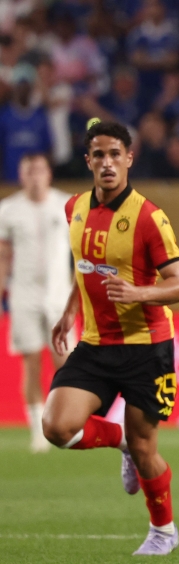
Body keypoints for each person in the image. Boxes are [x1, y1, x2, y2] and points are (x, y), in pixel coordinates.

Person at [42, 120, 179, 556]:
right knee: (56, 426)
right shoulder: (74, 208)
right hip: (95, 342)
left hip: (148, 347)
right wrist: (71, 308)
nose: (107, 163)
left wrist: (138, 292)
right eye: (99, 155)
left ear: (129, 158)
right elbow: (85, 263)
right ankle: (120, 441)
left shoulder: (149, 218)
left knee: (149, 450)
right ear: (88, 161)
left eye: (115, 155)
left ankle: (163, 531)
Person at [0, 155, 74, 453]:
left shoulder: (67, 205)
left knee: (65, 364)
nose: (34, 176)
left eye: (39, 170)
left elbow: (83, 249)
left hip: (59, 295)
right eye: (28, 170)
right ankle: (37, 429)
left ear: (49, 173)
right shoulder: (8, 210)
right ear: (20, 174)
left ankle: (67, 422)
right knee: (31, 363)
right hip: (24, 295)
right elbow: (4, 255)